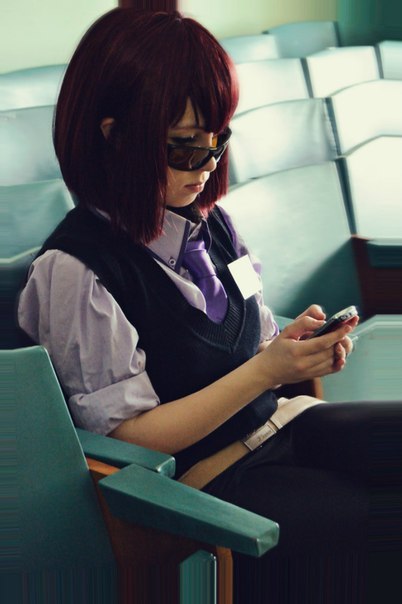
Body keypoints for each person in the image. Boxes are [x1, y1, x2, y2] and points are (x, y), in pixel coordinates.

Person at [18, 8, 401, 603]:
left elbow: (255, 341)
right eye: (185, 148)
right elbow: (131, 440)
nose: (209, 166)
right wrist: (266, 371)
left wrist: (293, 352)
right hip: (204, 481)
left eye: (218, 142)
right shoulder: (75, 271)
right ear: (114, 137)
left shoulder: (207, 221)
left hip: (277, 426)